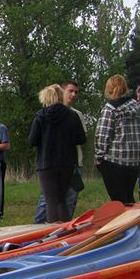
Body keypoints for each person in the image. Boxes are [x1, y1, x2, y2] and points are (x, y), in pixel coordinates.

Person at [28, 84, 86, 223]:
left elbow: (32, 141)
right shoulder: (72, 115)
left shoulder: (40, 116)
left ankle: (53, 231)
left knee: (50, 201)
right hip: (67, 162)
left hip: (46, 163)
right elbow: (81, 139)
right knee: (61, 199)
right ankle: (65, 229)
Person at [95, 74, 140, 205]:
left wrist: (99, 158)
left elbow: (102, 136)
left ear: (109, 89)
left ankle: (126, 224)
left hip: (115, 160)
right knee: (128, 196)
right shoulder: (137, 107)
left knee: (118, 201)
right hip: (135, 160)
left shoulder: (110, 109)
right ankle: (134, 222)